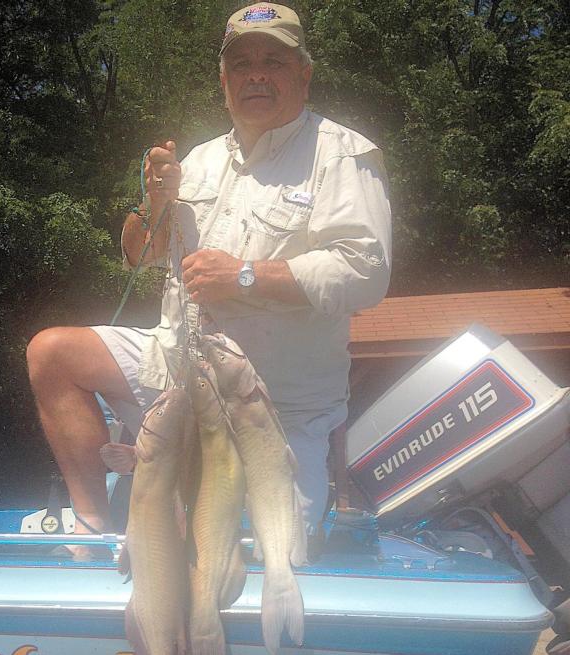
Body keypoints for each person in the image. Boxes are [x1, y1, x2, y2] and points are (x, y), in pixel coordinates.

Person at [26, 3, 391, 556]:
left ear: (304, 74)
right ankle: (92, 526)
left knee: (275, 560)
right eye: (242, 64)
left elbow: (366, 271)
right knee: (53, 352)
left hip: (276, 403)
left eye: (274, 61)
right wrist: (153, 201)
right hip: (175, 374)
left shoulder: (341, 153)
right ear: (224, 80)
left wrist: (245, 276)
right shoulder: (197, 159)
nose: (257, 74)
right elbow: (136, 254)